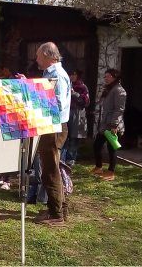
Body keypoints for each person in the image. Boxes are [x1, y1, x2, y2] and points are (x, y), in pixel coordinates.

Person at [26, 42, 71, 227]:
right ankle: (59, 209)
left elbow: (57, 103)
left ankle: (56, 214)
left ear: (46, 55)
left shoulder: (57, 75)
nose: (36, 59)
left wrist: (35, 105)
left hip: (53, 127)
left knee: (50, 171)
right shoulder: (52, 74)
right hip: (52, 126)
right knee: (51, 169)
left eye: (38, 56)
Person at [88, 69, 127, 181]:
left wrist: (114, 125)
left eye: (108, 76)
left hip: (112, 125)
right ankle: (99, 167)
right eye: (105, 76)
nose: (106, 78)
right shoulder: (109, 90)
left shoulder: (119, 91)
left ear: (115, 77)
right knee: (97, 145)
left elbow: (119, 110)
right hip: (104, 124)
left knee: (111, 148)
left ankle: (111, 171)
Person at [61, 69, 89, 166]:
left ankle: (70, 162)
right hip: (66, 116)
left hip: (76, 118)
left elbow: (85, 103)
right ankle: (61, 161)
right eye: (70, 74)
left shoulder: (82, 87)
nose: (71, 77)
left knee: (73, 141)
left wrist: (75, 94)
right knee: (63, 139)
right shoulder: (65, 85)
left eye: (74, 74)